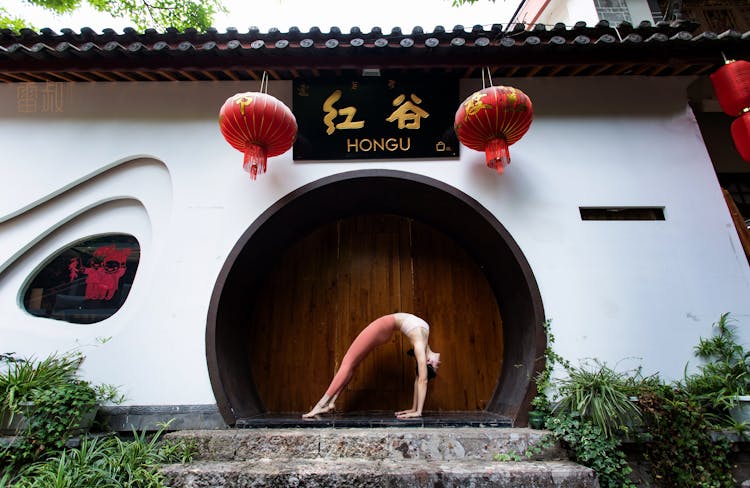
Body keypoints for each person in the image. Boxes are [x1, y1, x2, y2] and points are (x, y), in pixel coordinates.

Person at [302, 313, 441, 419]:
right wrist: (414, 409)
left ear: (427, 362)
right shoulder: (424, 337)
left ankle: (321, 405)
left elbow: (422, 380)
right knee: (352, 364)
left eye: (435, 365)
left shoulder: (420, 346)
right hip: (385, 328)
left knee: (348, 362)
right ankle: (330, 403)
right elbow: (420, 378)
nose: (438, 362)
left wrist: (417, 412)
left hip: (382, 326)